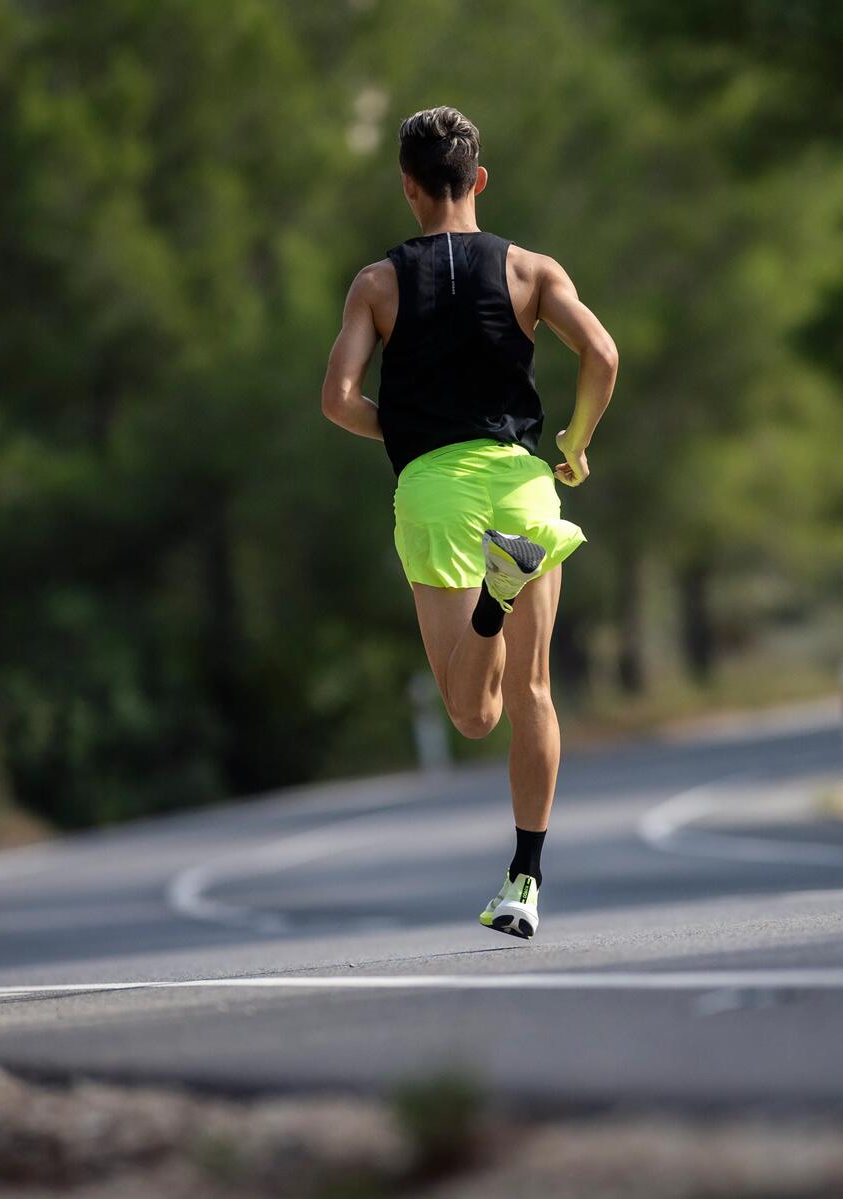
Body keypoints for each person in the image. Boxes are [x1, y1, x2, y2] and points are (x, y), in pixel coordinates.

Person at [320, 105, 619, 939]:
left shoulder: (377, 285)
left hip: (436, 491)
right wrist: (575, 442)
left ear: (408, 188)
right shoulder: (530, 270)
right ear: (479, 181)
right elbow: (602, 354)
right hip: (526, 485)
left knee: (471, 712)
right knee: (530, 694)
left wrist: (411, 434)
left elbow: (337, 399)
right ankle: (525, 879)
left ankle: (496, 595)